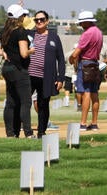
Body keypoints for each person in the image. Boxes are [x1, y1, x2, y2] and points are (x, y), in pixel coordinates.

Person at [0, 4, 34, 138]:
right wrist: (32, 50)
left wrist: (3, 54)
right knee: (25, 102)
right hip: (19, 69)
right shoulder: (20, 31)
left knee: (10, 102)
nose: (24, 17)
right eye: (23, 15)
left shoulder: (5, 30)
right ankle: (28, 133)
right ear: (19, 17)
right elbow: (24, 54)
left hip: (7, 68)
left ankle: (10, 133)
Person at [28, 10, 65, 138]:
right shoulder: (30, 34)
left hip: (46, 77)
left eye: (42, 19)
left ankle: (41, 131)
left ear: (47, 21)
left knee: (43, 105)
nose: (39, 22)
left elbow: (61, 59)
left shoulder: (54, 37)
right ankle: (24, 131)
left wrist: (60, 78)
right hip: (29, 75)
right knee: (24, 103)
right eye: (36, 20)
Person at [69, 11, 103, 131]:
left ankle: (83, 123)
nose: (81, 25)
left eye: (82, 22)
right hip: (95, 64)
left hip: (85, 64)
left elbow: (77, 51)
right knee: (94, 94)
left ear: (87, 21)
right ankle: (94, 123)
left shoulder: (87, 33)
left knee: (85, 93)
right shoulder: (99, 32)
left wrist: (71, 58)